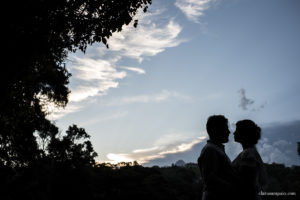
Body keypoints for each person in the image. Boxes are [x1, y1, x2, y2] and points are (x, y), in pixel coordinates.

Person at [198, 115, 239, 200]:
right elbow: (210, 179)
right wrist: (235, 188)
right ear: (216, 130)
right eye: (225, 128)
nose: (228, 132)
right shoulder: (210, 150)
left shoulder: (215, 149)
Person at [232, 120, 267, 200]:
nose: (234, 133)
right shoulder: (249, 153)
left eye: (236, 130)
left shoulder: (248, 154)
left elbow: (246, 183)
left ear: (244, 133)